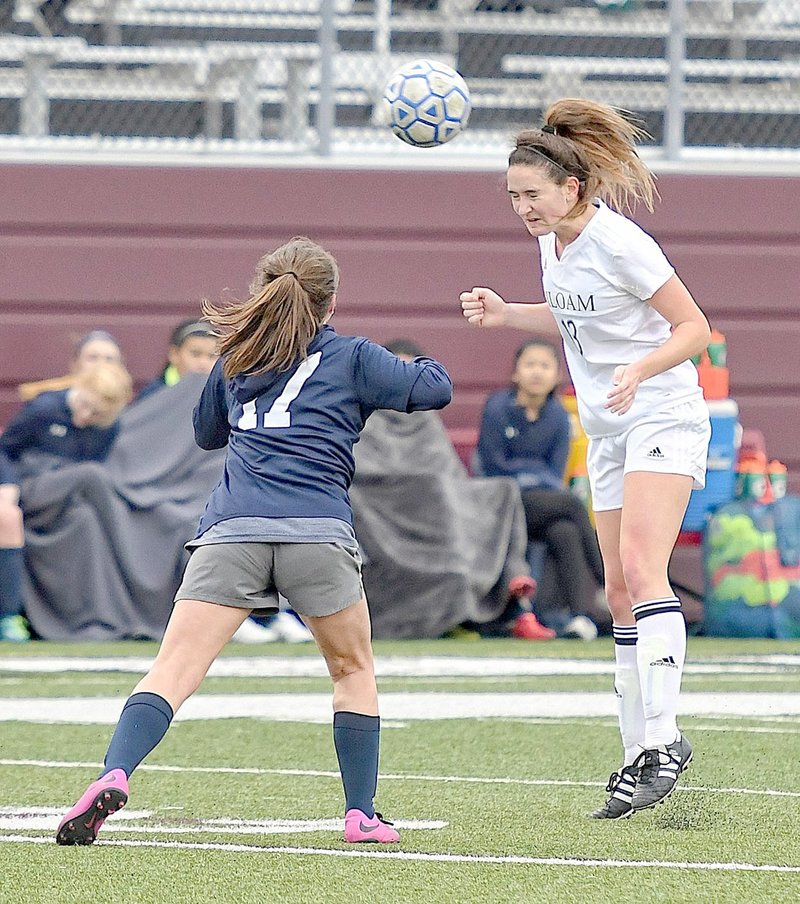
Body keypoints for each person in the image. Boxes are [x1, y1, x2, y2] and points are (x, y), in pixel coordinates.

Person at [55, 235, 453, 847]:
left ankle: (115, 770)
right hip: (317, 533)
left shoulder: (236, 358)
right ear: (333, 303)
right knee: (352, 670)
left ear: (264, 293)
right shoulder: (352, 356)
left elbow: (207, 434)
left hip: (231, 531)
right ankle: (360, 814)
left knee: (173, 669)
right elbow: (436, 387)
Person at [460, 99, 711, 818]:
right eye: (513, 198)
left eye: (531, 195)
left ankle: (664, 738)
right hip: (607, 427)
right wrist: (508, 313)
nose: (522, 209)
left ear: (571, 189)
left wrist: (641, 369)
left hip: (661, 410)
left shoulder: (621, 242)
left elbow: (694, 328)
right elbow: (575, 314)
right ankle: (637, 754)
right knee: (621, 591)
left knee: (641, 567)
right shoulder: (554, 244)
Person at [474, 337, 607, 640]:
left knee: (565, 530)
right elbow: (494, 467)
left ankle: (579, 617)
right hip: (503, 502)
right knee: (572, 505)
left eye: (545, 366)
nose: (537, 372)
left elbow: (554, 473)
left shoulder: (559, 417)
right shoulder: (496, 408)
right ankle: (608, 582)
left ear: (557, 375)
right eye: (530, 365)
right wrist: (531, 475)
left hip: (542, 503)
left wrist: (530, 475)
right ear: (515, 373)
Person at [0, 360, 134, 642]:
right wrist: (8, 487)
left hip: (66, 501)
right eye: (84, 405)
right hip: (29, 487)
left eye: (96, 414)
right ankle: (127, 540)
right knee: (91, 476)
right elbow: (6, 451)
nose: (84, 417)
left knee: (84, 518)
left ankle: (88, 614)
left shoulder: (108, 428)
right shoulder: (44, 409)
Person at [18, 330, 124, 402]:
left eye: (109, 359)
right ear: (75, 364)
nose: (101, 365)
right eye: (93, 358)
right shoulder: (48, 397)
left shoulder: (125, 400)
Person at [136, 319, 219, 401]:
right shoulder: (152, 395)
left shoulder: (225, 397)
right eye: (195, 354)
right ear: (174, 354)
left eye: (212, 356)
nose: (203, 363)